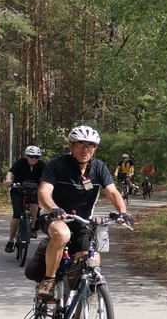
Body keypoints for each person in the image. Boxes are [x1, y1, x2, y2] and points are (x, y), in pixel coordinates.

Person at [33, 126, 133, 298]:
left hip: (82, 221)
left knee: (91, 259)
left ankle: (84, 302)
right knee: (62, 234)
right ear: (71, 145)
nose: (85, 149)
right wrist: (53, 208)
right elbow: (43, 192)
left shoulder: (98, 167)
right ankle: (49, 280)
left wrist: (123, 212)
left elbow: (112, 192)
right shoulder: (57, 164)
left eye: (90, 145)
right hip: (54, 217)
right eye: (80, 144)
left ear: (95, 148)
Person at [3, 145, 44, 252]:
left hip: (34, 190)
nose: (34, 159)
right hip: (18, 190)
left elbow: (47, 177)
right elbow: (10, 172)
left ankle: (32, 227)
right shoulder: (21, 162)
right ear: (26, 156)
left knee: (35, 205)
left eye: (37, 157)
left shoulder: (42, 165)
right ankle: (10, 240)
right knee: (17, 214)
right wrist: (8, 180)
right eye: (31, 156)